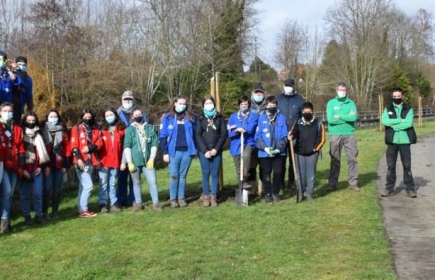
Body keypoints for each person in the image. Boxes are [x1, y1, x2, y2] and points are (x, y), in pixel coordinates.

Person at [159, 95, 196, 208]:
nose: (182, 106)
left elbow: (195, 134)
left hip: (187, 152)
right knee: (174, 175)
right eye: (180, 103)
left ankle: (181, 198)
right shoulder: (167, 118)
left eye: (184, 104)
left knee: (183, 175)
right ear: (175, 103)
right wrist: (165, 152)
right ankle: (173, 199)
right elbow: (162, 136)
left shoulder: (190, 117)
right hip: (173, 152)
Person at [380, 88, 417, 198]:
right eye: (394, 96)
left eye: (398, 96)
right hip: (392, 142)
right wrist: (400, 120)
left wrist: (394, 127)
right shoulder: (388, 108)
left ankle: (410, 189)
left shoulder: (408, 108)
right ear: (392, 96)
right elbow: (385, 121)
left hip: (405, 141)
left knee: (407, 165)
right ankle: (389, 188)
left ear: (402, 96)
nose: (396, 98)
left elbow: (408, 123)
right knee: (391, 166)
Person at [122, 108, 161, 212]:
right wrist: (129, 161)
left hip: (148, 161)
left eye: (140, 114)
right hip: (135, 161)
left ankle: (156, 203)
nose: (138, 116)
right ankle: (138, 204)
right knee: (136, 183)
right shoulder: (130, 130)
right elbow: (127, 146)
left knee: (153, 182)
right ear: (132, 117)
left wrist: (152, 158)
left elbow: (154, 143)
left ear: (142, 115)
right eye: (136, 114)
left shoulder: (149, 127)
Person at [326, 82, 360, 192]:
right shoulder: (331, 103)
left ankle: (353, 183)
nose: (342, 92)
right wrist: (346, 118)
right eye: (340, 90)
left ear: (346, 91)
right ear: (336, 90)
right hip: (335, 134)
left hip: (349, 133)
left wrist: (339, 116)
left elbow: (353, 118)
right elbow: (331, 120)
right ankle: (332, 183)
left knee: (352, 159)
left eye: (344, 90)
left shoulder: (351, 103)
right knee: (335, 159)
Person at [288, 102, 325, 202]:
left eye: (309, 111)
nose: (307, 113)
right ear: (302, 112)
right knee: (300, 175)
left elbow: (321, 139)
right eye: (305, 111)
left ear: (312, 111)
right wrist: (291, 135)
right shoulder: (298, 122)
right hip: (299, 153)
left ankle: (309, 194)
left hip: (312, 154)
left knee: (311, 175)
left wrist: (316, 149)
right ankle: (300, 194)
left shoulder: (318, 123)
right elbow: (293, 133)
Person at [195, 95, 227, 207]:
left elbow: (223, 134)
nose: (209, 105)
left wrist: (216, 149)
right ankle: (206, 196)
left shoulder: (219, 117)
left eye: (210, 103)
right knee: (205, 173)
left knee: (214, 174)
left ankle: (214, 196)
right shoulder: (200, 118)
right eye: (206, 103)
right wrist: (205, 151)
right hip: (204, 151)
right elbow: (197, 135)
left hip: (216, 151)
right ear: (203, 105)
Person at [70, 108, 103, 217]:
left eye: (89, 117)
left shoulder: (96, 128)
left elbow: (100, 141)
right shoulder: (76, 129)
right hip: (80, 161)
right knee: (88, 185)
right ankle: (84, 209)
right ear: (82, 117)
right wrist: (79, 159)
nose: (87, 119)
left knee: (82, 186)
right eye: (85, 117)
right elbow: (74, 146)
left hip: (91, 160)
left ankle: (80, 209)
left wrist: (90, 147)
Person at [255, 96, 288, 203]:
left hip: (279, 152)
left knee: (278, 172)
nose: (271, 107)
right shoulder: (262, 118)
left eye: (274, 105)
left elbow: (284, 135)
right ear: (266, 106)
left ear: (276, 106)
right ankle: (268, 194)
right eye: (270, 105)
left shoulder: (281, 118)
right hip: (264, 153)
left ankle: (275, 192)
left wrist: (278, 148)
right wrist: (265, 148)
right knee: (266, 173)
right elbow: (258, 136)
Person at [20, 111, 51, 225]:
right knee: (25, 194)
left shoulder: (39, 134)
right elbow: (19, 152)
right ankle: (27, 216)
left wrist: (41, 166)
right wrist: (23, 169)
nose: (31, 123)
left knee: (38, 193)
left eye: (33, 121)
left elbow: (42, 151)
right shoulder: (20, 133)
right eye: (29, 120)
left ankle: (39, 215)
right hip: (25, 168)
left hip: (37, 168)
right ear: (25, 121)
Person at [116, 90, 145, 207]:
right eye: (125, 99)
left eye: (130, 99)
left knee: (135, 175)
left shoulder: (139, 113)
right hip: (121, 148)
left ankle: (134, 198)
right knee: (122, 176)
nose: (128, 101)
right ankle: (121, 199)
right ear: (122, 100)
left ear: (133, 100)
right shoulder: (117, 113)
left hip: (136, 148)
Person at [41, 109, 71, 220]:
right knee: (47, 189)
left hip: (59, 164)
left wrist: (66, 165)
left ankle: (55, 212)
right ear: (47, 118)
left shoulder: (62, 130)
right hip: (47, 164)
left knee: (57, 190)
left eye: (55, 116)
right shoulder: (42, 129)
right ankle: (45, 212)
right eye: (51, 116)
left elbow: (67, 148)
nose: (53, 119)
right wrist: (43, 166)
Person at [0, 102, 24, 233]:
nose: (8, 113)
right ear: (0, 112)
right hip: (2, 164)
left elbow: (20, 148)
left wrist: (20, 166)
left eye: (10, 111)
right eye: (5, 110)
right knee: (7, 190)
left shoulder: (17, 128)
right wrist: (5, 160)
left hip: (14, 165)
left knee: (9, 194)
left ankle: (6, 222)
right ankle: (4, 220)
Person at [277, 78, 304, 190]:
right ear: (283, 86)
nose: (288, 87)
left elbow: (302, 115)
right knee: (281, 159)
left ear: (293, 86)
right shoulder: (278, 99)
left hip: (294, 133)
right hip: (282, 133)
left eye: (290, 85)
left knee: (293, 159)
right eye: (286, 85)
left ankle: (292, 182)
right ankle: (281, 182)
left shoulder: (299, 99)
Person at [98, 107, 126, 213]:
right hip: (104, 161)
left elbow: (124, 146)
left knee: (113, 183)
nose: (109, 117)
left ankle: (113, 202)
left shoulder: (122, 128)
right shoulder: (102, 129)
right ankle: (103, 203)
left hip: (116, 161)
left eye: (111, 115)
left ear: (115, 115)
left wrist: (123, 161)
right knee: (103, 183)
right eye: (107, 116)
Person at [228, 95, 258, 190]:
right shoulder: (233, 117)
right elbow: (229, 131)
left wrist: (236, 126)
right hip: (236, 143)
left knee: (245, 157)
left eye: (246, 104)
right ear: (239, 105)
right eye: (242, 104)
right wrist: (237, 129)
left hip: (248, 142)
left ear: (248, 105)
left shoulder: (253, 116)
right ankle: (241, 185)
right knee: (238, 165)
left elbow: (250, 128)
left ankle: (245, 180)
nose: (244, 106)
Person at [248, 83, 267, 194]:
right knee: (251, 167)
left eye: (260, 93)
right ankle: (252, 189)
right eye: (257, 93)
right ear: (253, 94)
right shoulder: (248, 107)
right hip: (251, 141)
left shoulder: (267, 107)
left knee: (264, 167)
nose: (258, 95)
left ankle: (263, 189)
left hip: (264, 142)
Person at [12, 56, 33, 124]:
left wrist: (30, 106)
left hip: (20, 106)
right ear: (15, 65)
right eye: (19, 64)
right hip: (10, 105)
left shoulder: (28, 79)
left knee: (17, 125)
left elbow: (29, 94)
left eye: (24, 65)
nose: (22, 66)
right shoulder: (11, 75)